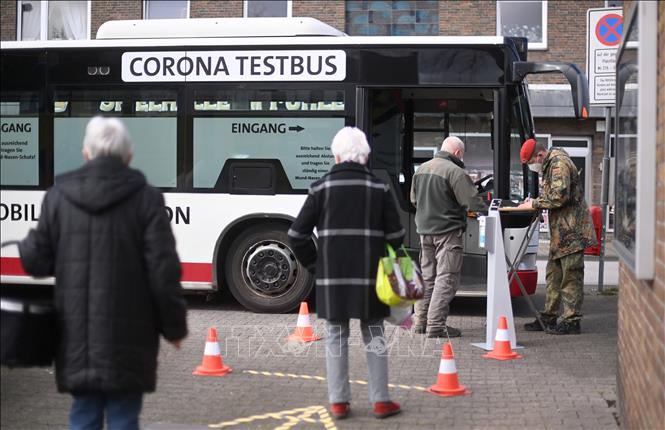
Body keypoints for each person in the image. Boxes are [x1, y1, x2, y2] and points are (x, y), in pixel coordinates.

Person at [18, 116, 188, 429]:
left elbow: (36, 262)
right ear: (129, 156)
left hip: (75, 333)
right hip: (131, 336)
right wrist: (174, 328)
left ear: (86, 153)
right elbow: (163, 271)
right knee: (124, 416)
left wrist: (28, 244)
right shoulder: (147, 198)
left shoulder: (58, 196)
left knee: (83, 412)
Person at [287, 127, 405, 420]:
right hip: (371, 278)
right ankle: (381, 402)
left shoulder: (320, 188)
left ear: (336, 156)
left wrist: (316, 265)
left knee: (335, 337)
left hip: (332, 279)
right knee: (375, 335)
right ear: (365, 156)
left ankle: (338, 403)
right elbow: (397, 236)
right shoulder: (379, 189)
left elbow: (295, 235)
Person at [410, 136, 487, 338]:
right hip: (447, 233)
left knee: (427, 278)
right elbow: (472, 202)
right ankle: (435, 326)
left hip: (424, 233)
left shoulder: (422, 169)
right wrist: (487, 209)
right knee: (446, 278)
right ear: (457, 153)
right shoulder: (455, 172)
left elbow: (413, 199)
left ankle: (420, 322)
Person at [517, 138, 596, 335]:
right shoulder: (552, 163)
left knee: (570, 277)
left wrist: (533, 204)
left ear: (540, 155)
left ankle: (571, 320)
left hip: (572, 233)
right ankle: (548, 316)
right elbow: (553, 195)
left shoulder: (559, 164)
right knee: (553, 276)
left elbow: (560, 196)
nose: (533, 168)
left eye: (532, 163)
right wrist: (535, 201)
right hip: (562, 233)